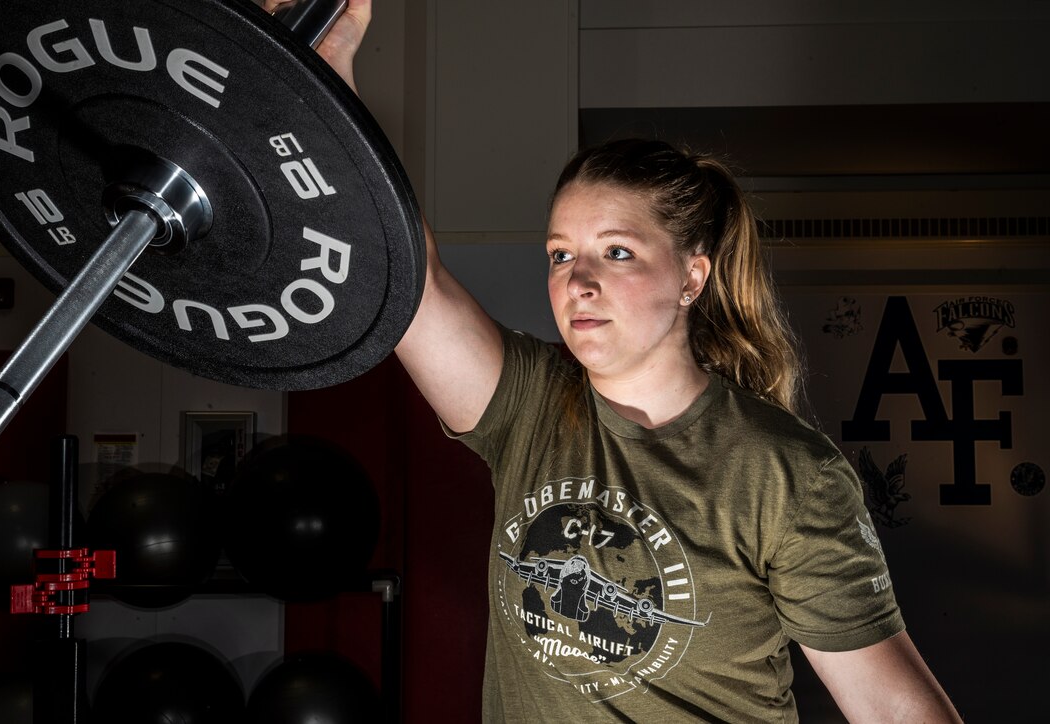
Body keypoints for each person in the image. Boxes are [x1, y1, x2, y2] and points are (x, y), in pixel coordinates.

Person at [273, 0, 964, 720]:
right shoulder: (529, 407)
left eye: (618, 251)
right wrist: (330, 69)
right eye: (561, 254)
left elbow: (892, 708)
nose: (578, 281)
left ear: (691, 278)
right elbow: (409, 278)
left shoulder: (784, 473)